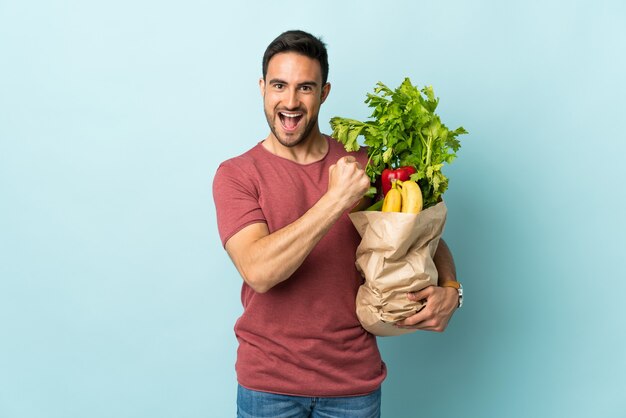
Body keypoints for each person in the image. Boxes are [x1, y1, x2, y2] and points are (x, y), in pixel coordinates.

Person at [212, 29, 461, 418]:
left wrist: (450, 287)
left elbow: (423, 235)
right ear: (262, 88)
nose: (290, 102)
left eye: (305, 88)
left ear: (324, 93)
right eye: (279, 85)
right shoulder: (237, 175)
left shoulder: (366, 164)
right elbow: (259, 271)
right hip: (267, 388)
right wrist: (336, 201)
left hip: (353, 385)